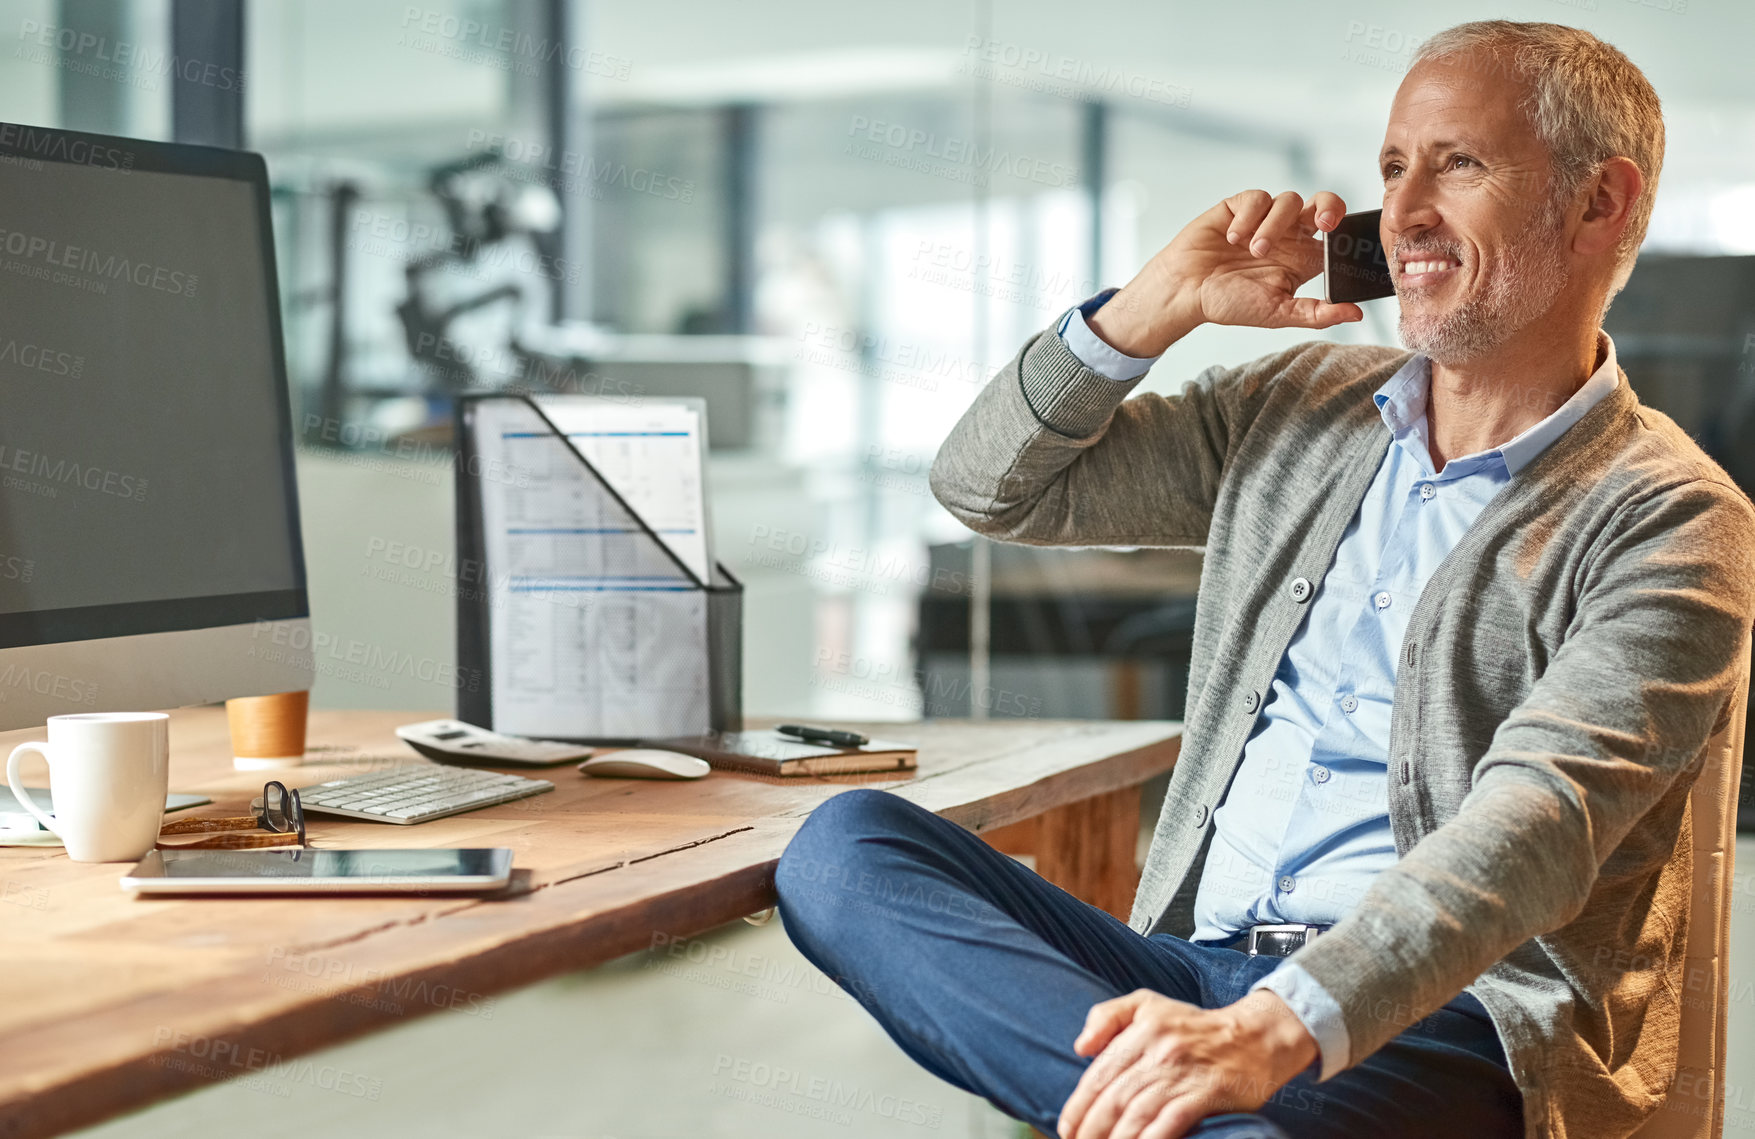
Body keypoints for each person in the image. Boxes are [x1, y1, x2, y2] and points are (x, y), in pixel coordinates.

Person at [773, 19, 1755, 1139]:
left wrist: (1279, 1026)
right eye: (1393, 166)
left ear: (1600, 203)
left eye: (1460, 162)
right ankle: (1188, 1116)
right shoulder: (1299, 405)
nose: (1406, 209)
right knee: (848, 848)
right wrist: (1150, 311)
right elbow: (991, 485)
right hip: (1187, 967)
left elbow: (1536, 821)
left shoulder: (1672, 518)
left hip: (1452, 1023)